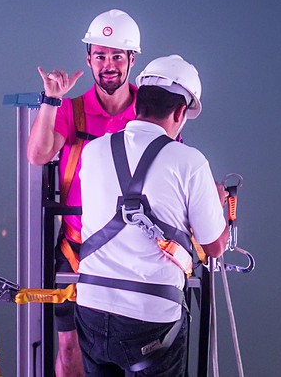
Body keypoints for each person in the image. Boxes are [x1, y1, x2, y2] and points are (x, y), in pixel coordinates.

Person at [75, 55, 230, 376]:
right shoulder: (190, 162)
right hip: (151, 318)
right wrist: (217, 204)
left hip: (91, 305)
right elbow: (214, 247)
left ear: (137, 104)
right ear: (180, 112)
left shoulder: (93, 151)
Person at [26, 9, 142, 377]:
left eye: (117, 56)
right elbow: (38, 154)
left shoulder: (149, 112)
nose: (108, 65)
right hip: (78, 247)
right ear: (88, 60)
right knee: (70, 345)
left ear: (132, 60)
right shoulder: (72, 111)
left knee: (133, 343)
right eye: (101, 56)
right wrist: (51, 100)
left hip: (135, 247)